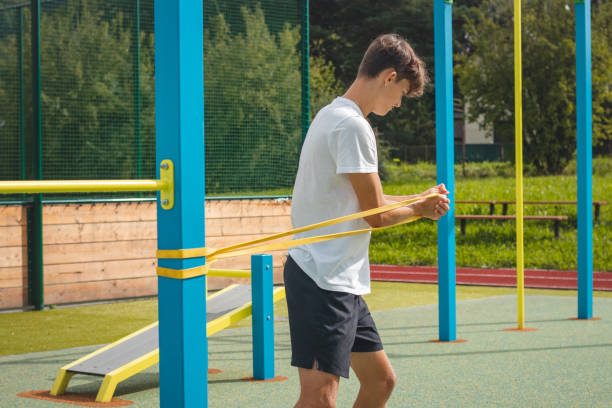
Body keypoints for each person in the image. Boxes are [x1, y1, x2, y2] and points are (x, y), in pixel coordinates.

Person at [284, 33, 450, 408]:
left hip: (338, 278)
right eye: (402, 94)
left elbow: (361, 203)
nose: (398, 104)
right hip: (322, 279)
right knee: (320, 398)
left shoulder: (331, 114)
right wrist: (420, 210)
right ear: (389, 77)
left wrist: (418, 199)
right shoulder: (354, 126)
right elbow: (375, 215)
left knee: (380, 381)